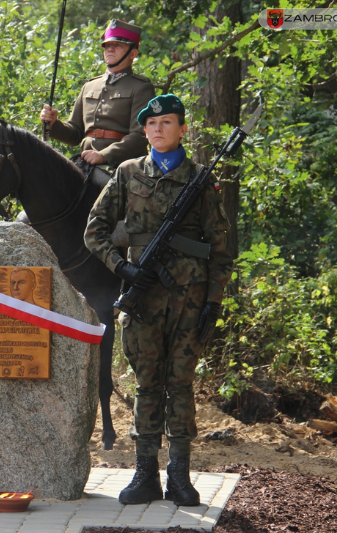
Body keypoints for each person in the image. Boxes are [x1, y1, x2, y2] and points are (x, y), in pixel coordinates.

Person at [84, 94, 233, 507]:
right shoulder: (128, 172)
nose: (157, 129)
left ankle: (180, 477)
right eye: (151, 123)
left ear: (182, 129)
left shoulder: (200, 179)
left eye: (166, 122)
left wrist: (213, 302)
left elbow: (220, 250)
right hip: (143, 299)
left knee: (180, 385)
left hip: (189, 301)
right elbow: (94, 230)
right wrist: (123, 268)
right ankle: (145, 474)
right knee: (148, 385)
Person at [39, 19, 156, 185]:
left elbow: (140, 135)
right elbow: (75, 134)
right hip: (84, 163)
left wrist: (104, 155)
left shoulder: (141, 87)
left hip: (121, 167)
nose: (110, 49)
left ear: (133, 53)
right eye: (107, 45)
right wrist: (53, 124)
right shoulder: (89, 86)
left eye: (117, 45)